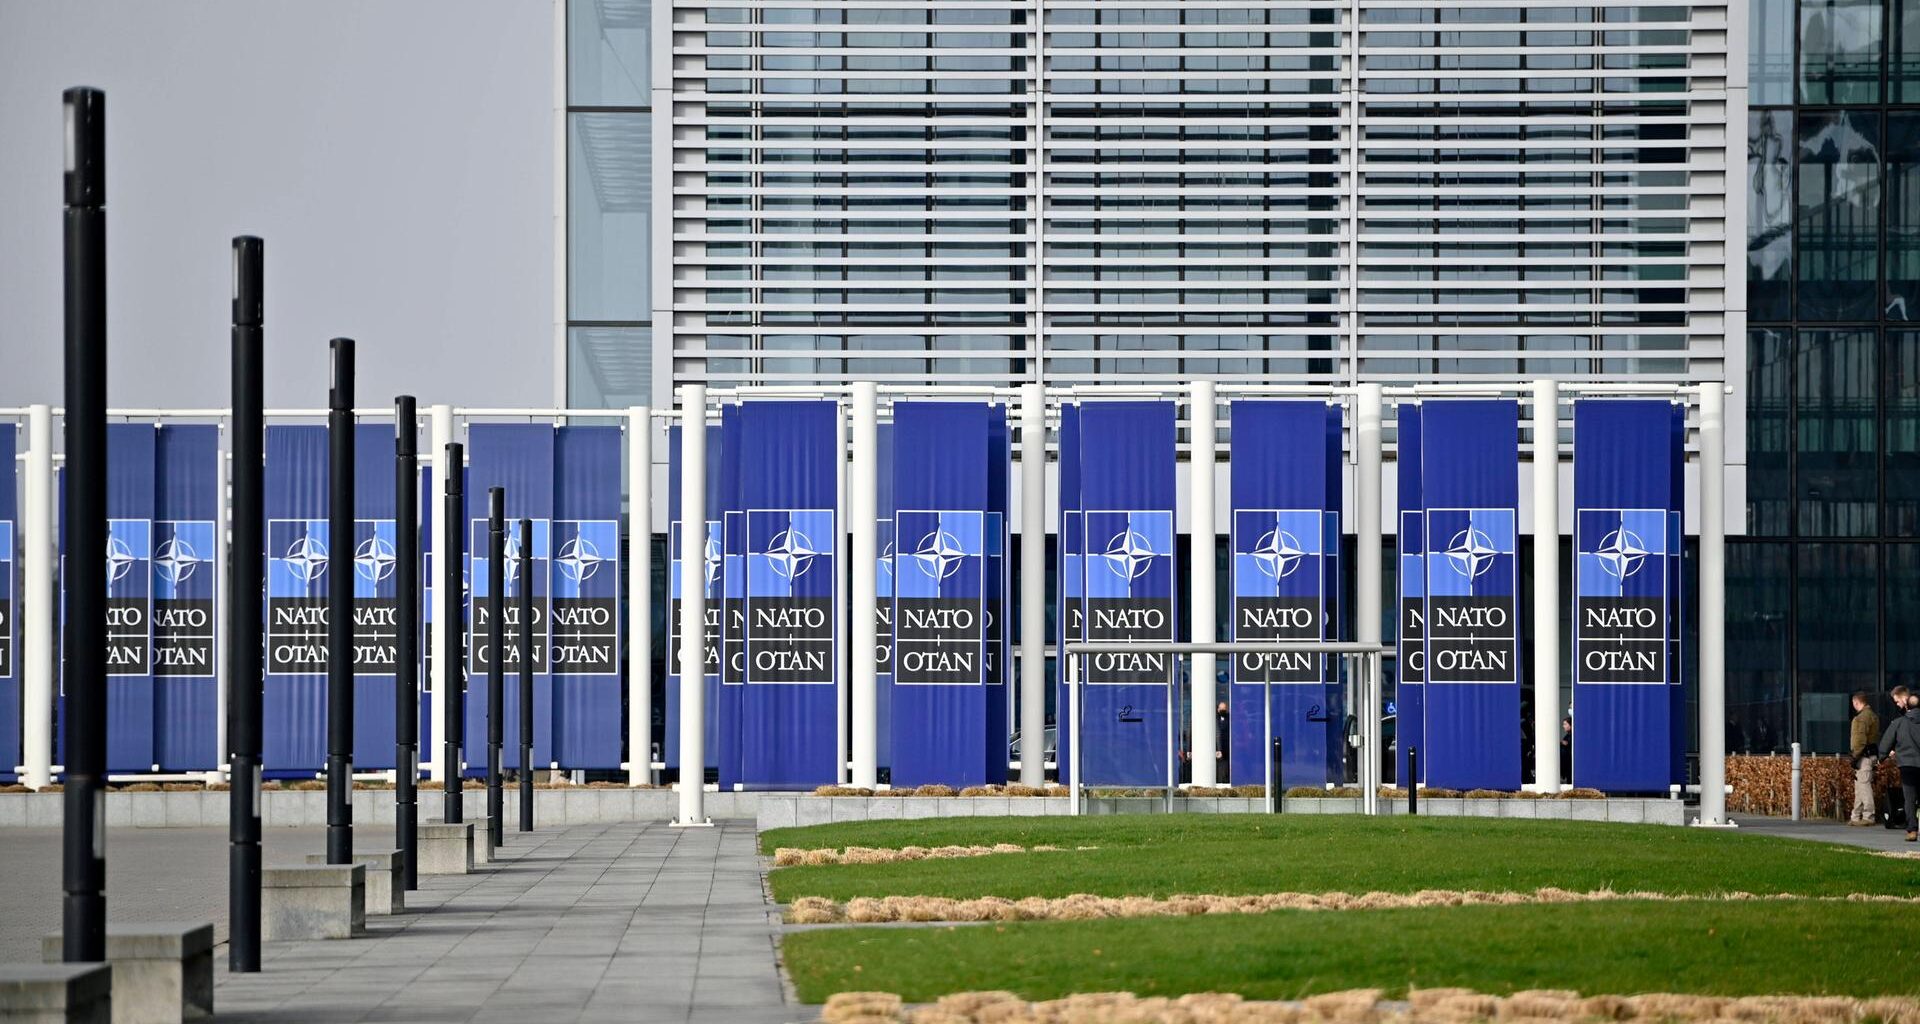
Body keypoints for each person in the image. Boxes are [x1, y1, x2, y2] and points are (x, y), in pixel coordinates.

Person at [1877, 687, 1920, 841]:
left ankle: (1912, 830)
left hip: (1907, 765)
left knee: (1909, 798)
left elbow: (1886, 742)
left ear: (1907, 705)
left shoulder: (1899, 723)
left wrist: (1881, 757)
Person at [1849, 691, 1881, 826]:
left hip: (1863, 755)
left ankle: (1868, 815)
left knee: (1863, 785)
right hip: (1871, 753)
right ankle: (1856, 816)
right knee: (1860, 785)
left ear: (1856, 702)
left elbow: (1859, 740)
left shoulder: (1860, 718)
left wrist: (1855, 756)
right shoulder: (1873, 716)